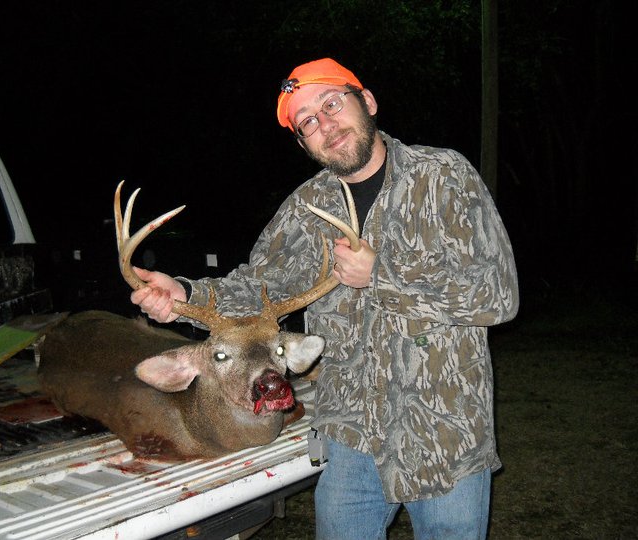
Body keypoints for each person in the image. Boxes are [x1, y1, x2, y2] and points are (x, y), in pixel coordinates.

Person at [131, 58, 519, 540]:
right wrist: (186, 291)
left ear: (368, 101)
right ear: (303, 143)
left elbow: (499, 295)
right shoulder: (305, 208)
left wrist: (382, 274)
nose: (325, 124)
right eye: (307, 122)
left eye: (332, 104)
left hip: (446, 433)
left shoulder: (445, 177)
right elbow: (260, 288)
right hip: (352, 434)